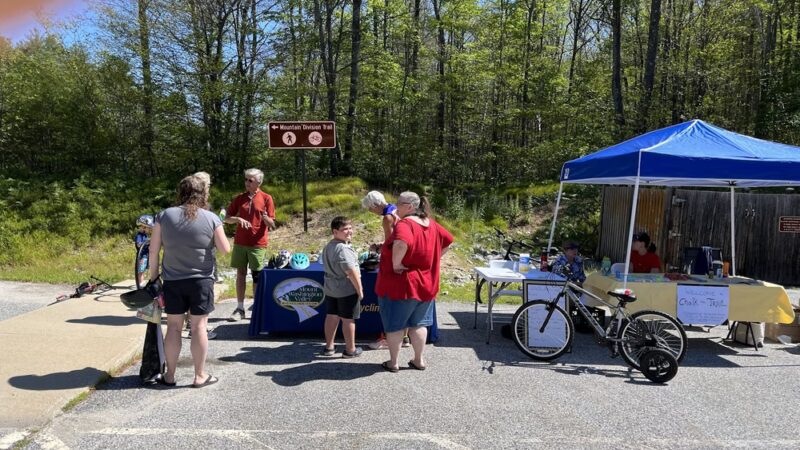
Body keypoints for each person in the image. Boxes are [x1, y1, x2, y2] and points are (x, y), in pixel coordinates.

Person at [148, 174, 231, 387]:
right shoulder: (211, 218)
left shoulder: (163, 216)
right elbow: (225, 249)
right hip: (201, 281)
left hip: (173, 281)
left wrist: (153, 279)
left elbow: (154, 250)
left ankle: (170, 376)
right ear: (202, 194)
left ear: (180, 192)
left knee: (174, 327)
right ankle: (199, 375)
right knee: (199, 327)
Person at [375, 191, 453, 373]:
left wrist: (396, 263)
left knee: (395, 325)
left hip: (402, 285)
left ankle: (393, 362)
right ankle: (419, 359)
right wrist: (435, 258)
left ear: (409, 207)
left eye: (399, 203)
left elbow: (402, 243)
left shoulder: (405, 224)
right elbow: (448, 241)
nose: (395, 205)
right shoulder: (431, 224)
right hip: (426, 284)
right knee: (419, 324)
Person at [225, 168, 276, 322]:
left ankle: (257, 308)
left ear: (258, 182)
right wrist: (238, 220)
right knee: (240, 274)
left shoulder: (267, 198)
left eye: (250, 180)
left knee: (257, 276)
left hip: (257, 244)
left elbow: (272, 224)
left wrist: (266, 218)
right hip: (240, 242)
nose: (247, 182)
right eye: (246, 179)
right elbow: (226, 218)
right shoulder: (240, 198)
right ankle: (240, 308)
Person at [360, 190, 409, 350]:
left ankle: (388, 339)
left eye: (370, 208)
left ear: (375, 205)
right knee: (404, 300)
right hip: (407, 257)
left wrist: (378, 248)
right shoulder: (396, 210)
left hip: (395, 262)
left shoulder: (387, 218)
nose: (370, 212)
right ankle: (405, 337)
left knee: (390, 301)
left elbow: (391, 244)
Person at [321, 216, 364, 358]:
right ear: (335, 231)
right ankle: (350, 350)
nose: (349, 231)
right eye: (344, 229)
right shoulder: (343, 249)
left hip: (331, 288)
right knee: (348, 319)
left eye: (350, 228)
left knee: (332, 316)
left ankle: (329, 347)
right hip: (345, 289)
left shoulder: (329, 246)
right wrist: (359, 290)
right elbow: (351, 271)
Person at [134, 214, 154, 288]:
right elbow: (139, 245)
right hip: (141, 256)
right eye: (148, 228)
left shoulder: (145, 235)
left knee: (144, 269)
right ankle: (141, 283)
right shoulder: (139, 235)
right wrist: (146, 243)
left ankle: (142, 282)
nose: (149, 229)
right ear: (143, 227)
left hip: (145, 255)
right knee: (141, 270)